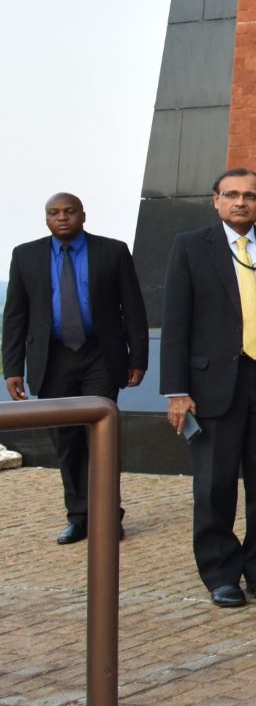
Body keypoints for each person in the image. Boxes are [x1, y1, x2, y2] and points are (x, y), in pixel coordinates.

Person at [162, 169, 256, 608]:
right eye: (231, 195)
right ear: (215, 200)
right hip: (209, 386)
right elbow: (176, 320)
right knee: (214, 486)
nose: (241, 202)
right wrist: (176, 390)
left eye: (250, 196)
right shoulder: (190, 246)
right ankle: (220, 574)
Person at [5, 193, 147, 544]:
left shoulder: (112, 252)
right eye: (54, 213)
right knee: (66, 442)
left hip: (100, 355)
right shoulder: (26, 256)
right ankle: (79, 516)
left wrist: (138, 358)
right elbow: (15, 317)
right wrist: (12, 368)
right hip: (52, 360)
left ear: (83, 215)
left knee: (100, 437)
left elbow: (133, 308)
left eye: (69, 211)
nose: (62, 217)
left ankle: (108, 517)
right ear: (46, 219)